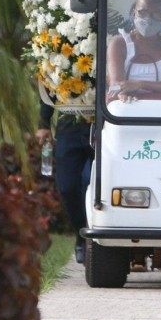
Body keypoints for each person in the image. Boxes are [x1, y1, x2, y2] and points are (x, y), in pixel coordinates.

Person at [35, 99, 93, 263]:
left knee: (90, 180)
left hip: (102, 123)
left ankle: (96, 236)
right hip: (69, 124)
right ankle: (81, 234)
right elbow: (50, 81)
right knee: (67, 186)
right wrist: (43, 123)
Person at [107, 0, 161, 101]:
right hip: (127, 109)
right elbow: (116, 83)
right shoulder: (119, 43)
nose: (148, 19)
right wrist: (122, 94)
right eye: (143, 12)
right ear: (134, 13)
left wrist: (140, 84)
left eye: (156, 14)